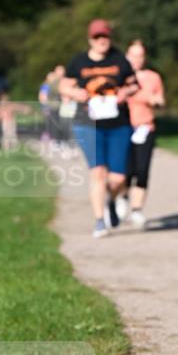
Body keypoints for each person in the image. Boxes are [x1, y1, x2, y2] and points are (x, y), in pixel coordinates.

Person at [60, 19, 138, 238]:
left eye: (105, 36)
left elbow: (134, 83)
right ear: (90, 39)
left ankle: (112, 200)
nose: (101, 41)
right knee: (98, 173)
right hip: (88, 124)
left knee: (118, 178)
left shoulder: (119, 59)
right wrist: (76, 93)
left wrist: (125, 92)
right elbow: (64, 85)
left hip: (118, 124)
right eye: (97, 37)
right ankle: (99, 220)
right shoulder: (78, 62)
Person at [115, 40, 166, 229]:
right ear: (127, 56)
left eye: (140, 55)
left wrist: (153, 100)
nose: (137, 59)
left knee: (142, 170)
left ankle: (137, 209)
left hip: (146, 127)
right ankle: (122, 197)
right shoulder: (119, 75)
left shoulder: (153, 77)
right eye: (133, 55)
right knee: (125, 171)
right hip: (123, 128)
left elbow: (160, 99)